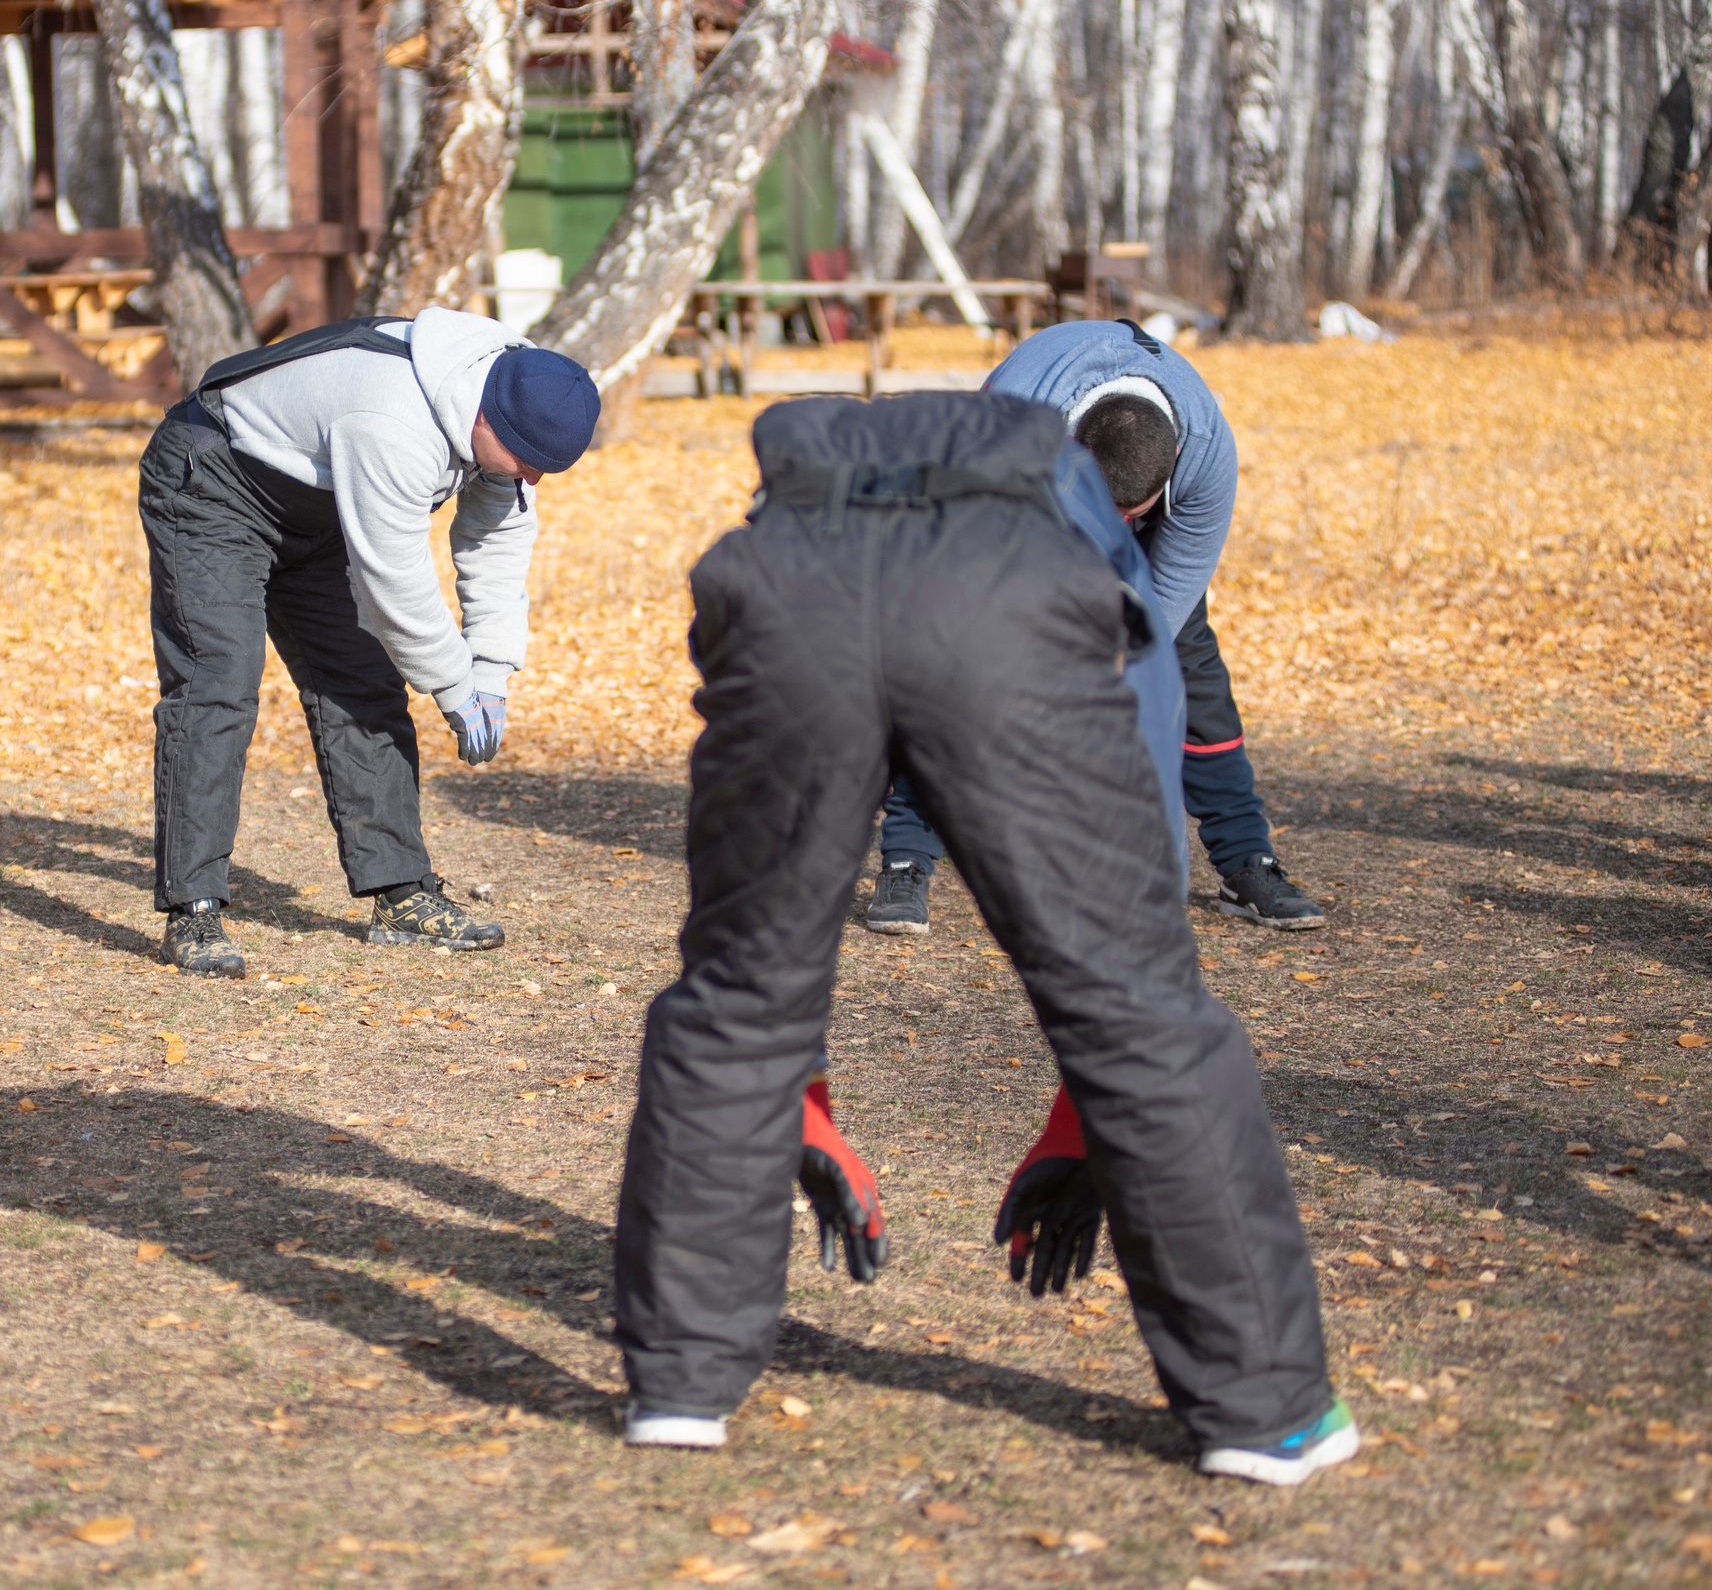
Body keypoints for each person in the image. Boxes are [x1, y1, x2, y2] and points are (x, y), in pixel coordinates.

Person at [615, 394, 1354, 1487]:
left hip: (787, 581)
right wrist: (1092, 1093)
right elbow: (1149, 757)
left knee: (735, 993)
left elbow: (751, 928)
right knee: (1141, 1010)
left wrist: (790, 1093)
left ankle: (678, 1384)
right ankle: (1266, 1408)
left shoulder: (807, 499)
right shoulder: (1084, 517)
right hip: (1006, 599)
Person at [138, 309, 599, 978]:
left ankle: (401, 893)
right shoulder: (393, 420)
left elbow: (496, 542)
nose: (530, 479)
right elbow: (396, 583)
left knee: (362, 681)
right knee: (219, 682)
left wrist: (492, 671)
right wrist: (454, 686)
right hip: (216, 482)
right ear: (486, 419)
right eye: (526, 463)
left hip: (323, 502)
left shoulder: (523, 394)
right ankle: (194, 907)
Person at [863, 318, 1323, 936]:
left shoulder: (1206, 455)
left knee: (1189, 670)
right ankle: (906, 858)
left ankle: (1246, 860)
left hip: (1129, 503)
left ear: (1170, 469)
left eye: (1124, 516)